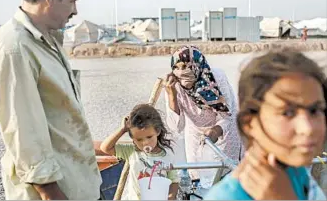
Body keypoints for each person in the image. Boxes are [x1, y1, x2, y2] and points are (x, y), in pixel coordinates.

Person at [0, 0, 102, 200]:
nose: (75, 10)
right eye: (72, 0)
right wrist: (50, 193)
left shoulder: (45, 40)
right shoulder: (14, 47)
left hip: (76, 183)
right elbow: (22, 128)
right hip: (55, 192)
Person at [205, 50, 327, 200]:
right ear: (249, 123)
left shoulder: (295, 173)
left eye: (315, 110)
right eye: (287, 113)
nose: (307, 128)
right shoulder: (226, 197)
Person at [164, 45, 242, 187]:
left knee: (225, 176)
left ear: (198, 66)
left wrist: (216, 131)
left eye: (187, 66)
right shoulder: (173, 86)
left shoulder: (216, 78)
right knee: (199, 180)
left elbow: (228, 115)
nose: (182, 72)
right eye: (177, 67)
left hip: (225, 132)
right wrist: (172, 97)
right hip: (195, 134)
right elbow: (176, 127)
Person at [100, 104, 180, 200]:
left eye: (149, 137)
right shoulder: (132, 152)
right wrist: (122, 130)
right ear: (133, 139)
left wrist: (170, 197)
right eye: (139, 139)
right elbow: (105, 148)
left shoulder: (167, 156)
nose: (145, 142)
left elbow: (174, 181)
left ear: (158, 131)